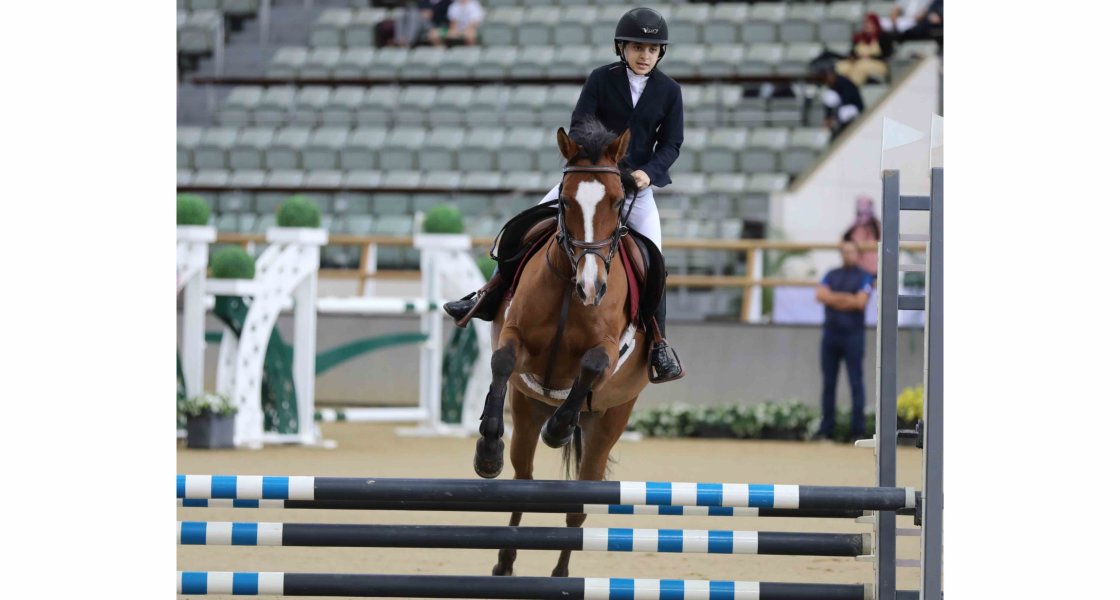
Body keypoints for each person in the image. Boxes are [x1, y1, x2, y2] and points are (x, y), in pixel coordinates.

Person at [443, 7, 685, 383]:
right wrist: (596, 162)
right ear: (622, 48)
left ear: (660, 54)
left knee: (654, 259)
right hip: (591, 178)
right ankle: (487, 293)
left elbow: (671, 143)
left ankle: (658, 343)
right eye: (638, 47)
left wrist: (647, 173)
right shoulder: (601, 79)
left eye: (653, 50)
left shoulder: (669, 91)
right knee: (524, 228)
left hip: (635, 188)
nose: (645, 55)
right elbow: (580, 124)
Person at [813, 241, 874, 441]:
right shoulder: (831, 274)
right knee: (828, 384)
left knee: (856, 382)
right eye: (845, 251)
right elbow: (820, 295)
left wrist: (834, 298)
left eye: (852, 251)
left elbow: (861, 302)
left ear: (858, 254)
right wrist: (848, 298)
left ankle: (857, 430)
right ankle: (826, 429)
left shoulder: (864, 275)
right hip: (831, 335)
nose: (848, 255)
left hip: (853, 336)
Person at [835, 13, 891, 86]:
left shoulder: (883, 37)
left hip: (877, 63)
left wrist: (870, 57)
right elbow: (852, 52)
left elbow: (887, 54)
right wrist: (853, 57)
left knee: (861, 67)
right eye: (866, 23)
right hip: (858, 61)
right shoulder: (858, 37)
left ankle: (852, 88)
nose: (867, 26)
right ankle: (839, 88)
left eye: (870, 23)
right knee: (842, 66)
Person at [816, 63, 864, 141]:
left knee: (844, 112)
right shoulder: (831, 86)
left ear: (832, 74)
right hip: (841, 109)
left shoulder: (844, 82)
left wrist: (835, 117)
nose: (826, 79)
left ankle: (846, 131)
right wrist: (828, 117)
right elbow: (829, 104)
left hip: (854, 108)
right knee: (828, 95)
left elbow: (849, 99)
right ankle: (837, 133)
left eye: (827, 76)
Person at [842, 195, 881, 276]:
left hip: (874, 269)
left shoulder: (877, 226)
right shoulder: (855, 226)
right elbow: (845, 240)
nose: (863, 211)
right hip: (857, 270)